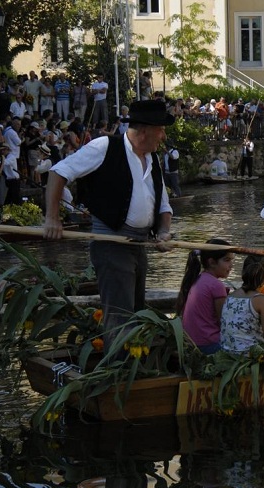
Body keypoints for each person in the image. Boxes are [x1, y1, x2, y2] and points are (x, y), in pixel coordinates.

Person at [43, 99, 175, 341]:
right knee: (120, 317)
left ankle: (133, 364)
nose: (163, 136)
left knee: (137, 312)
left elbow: (163, 205)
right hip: (111, 242)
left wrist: (164, 231)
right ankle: (120, 367)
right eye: (161, 129)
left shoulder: (153, 159)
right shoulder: (105, 147)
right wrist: (52, 218)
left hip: (139, 245)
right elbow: (58, 172)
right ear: (145, 130)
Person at [177, 239, 235, 354]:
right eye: (227, 260)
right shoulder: (216, 285)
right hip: (208, 344)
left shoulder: (198, 278)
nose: (231, 265)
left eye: (231, 260)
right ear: (212, 262)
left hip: (190, 342)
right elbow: (223, 322)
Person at [220, 255, 264, 354]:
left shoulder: (229, 297)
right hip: (251, 358)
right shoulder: (263, 301)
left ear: (243, 273)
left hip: (227, 354)